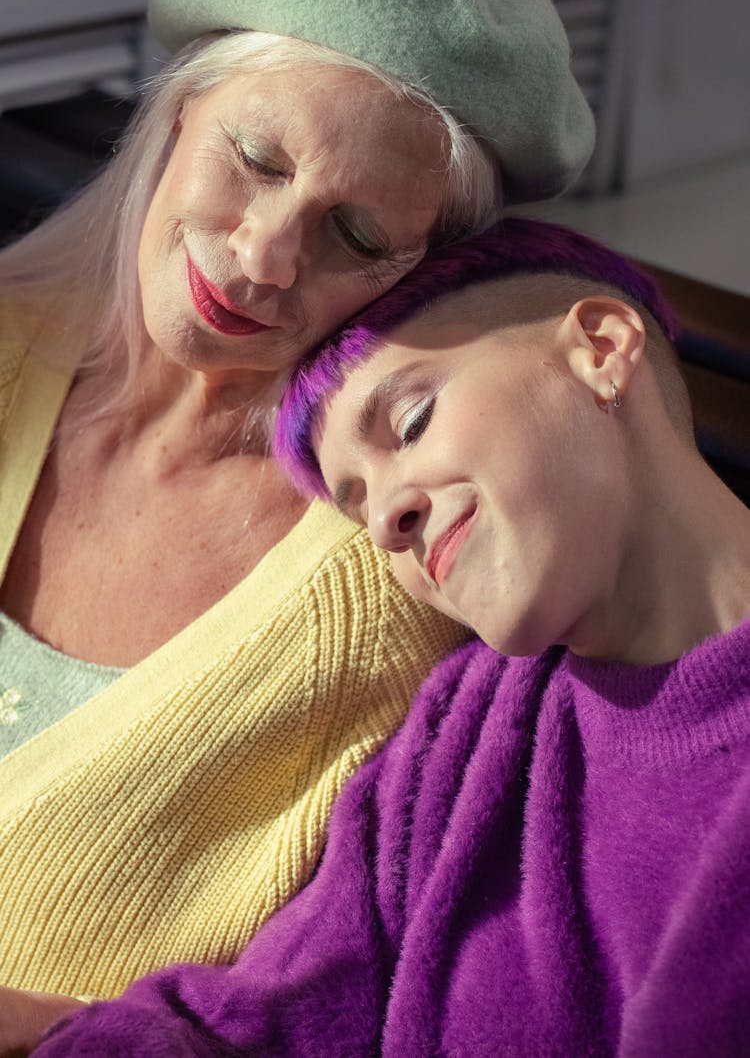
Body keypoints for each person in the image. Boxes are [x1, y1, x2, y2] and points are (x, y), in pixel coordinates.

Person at [0, 0, 595, 1045]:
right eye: (259, 160)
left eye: (356, 234)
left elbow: (332, 1001)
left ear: (413, 277)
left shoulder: (397, 581)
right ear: (180, 114)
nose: (266, 256)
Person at [32, 218, 750, 1056]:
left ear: (600, 347)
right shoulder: (467, 732)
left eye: (410, 423)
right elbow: (255, 1023)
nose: (388, 520)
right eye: (355, 504)